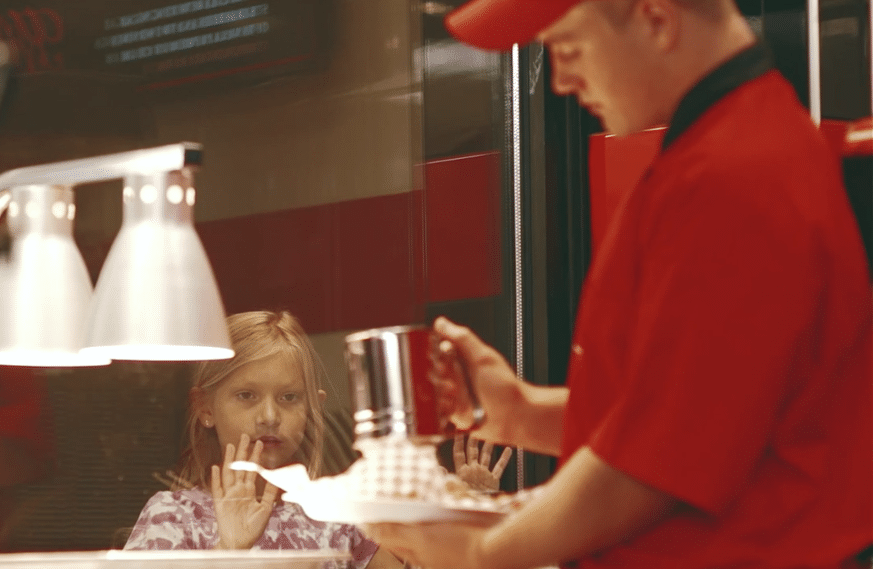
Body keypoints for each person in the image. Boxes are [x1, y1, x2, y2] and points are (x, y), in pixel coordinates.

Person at [366, 1, 873, 568]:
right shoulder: (718, 154)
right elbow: (683, 414)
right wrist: (519, 412)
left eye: (567, 48)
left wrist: (480, 553)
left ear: (656, 18)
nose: (559, 81)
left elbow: (660, 464)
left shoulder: (734, 175)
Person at [123, 310, 402, 568]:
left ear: (311, 409)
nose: (269, 417)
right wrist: (227, 551)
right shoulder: (173, 517)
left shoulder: (336, 518)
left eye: (289, 397)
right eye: (246, 395)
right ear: (205, 408)